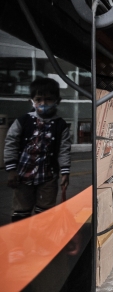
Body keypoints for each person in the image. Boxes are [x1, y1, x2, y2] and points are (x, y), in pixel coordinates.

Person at [4, 77, 71, 222]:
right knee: (21, 212)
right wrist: (11, 170)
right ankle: (19, 243)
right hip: (22, 176)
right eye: (38, 99)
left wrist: (65, 171)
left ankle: (42, 241)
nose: (43, 103)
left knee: (46, 214)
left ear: (57, 101)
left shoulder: (61, 125)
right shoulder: (23, 121)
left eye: (48, 99)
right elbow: (11, 144)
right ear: (32, 101)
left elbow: (64, 150)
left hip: (48, 178)